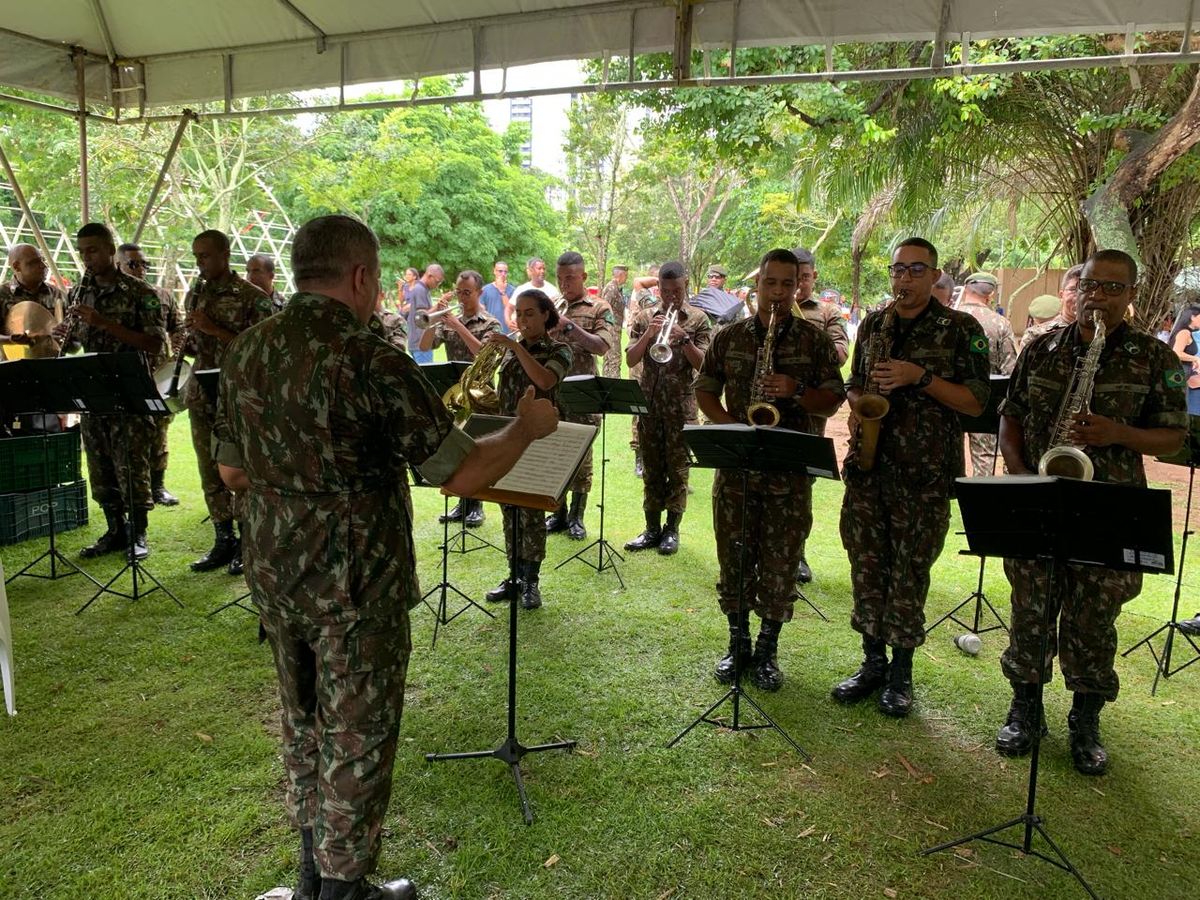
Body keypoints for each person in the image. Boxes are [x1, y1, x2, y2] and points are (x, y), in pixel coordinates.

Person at [215, 214, 559, 900]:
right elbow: (456, 474)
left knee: (303, 720)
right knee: (357, 735)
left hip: (277, 574)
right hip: (355, 582)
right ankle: (345, 890)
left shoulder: (249, 349)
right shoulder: (369, 355)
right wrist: (526, 427)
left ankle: (313, 877)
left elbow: (232, 474)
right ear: (363, 276)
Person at [995, 249, 1187, 775]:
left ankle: (1086, 719)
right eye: (1089, 286)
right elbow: (1010, 416)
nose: (1097, 297)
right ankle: (1025, 708)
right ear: (1074, 289)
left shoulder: (1154, 358)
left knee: (1093, 620)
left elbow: (1173, 437)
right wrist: (1020, 475)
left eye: (1111, 288)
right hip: (1041, 498)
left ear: (1131, 295)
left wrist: (1118, 433)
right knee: (1030, 608)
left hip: (1109, 509)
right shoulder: (1041, 350)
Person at [833, 237, 989, 717]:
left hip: (924, 476)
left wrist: (917, 376)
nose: (904, 279)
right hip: (870, 468)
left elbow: (977, 401)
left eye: (915, 270)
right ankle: (872, 663)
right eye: (898, 269)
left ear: (935, 275)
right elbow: (855, 381)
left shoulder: (961, 328)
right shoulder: (876, 323)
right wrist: (860, 404)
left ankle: (901, 674)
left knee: (909, 572)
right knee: (866, 566)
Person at [695, 248, 845, 691]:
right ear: (756, 285)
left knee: (780, 566)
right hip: (738, 471)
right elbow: (705, 391)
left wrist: (796, 390)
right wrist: (732, 427)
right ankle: (737, 643)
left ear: (798, 285)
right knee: (734, 560)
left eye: (787, 284)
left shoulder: (814, 340)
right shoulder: (729, 336)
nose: (778, 292)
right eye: (770, 283)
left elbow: (833, 398)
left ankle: (767, 651)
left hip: (789, 476)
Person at [53, 224, 166, 559]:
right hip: (94, 392)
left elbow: (155, 342)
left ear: (109, 250)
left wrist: (105, 323)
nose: (87, 258)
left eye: (93, 250)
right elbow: (76, 342)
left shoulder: (140, 292)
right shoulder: (79, 292)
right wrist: (64, 335)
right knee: (100, 466)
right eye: (82, 251)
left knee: (131, 465)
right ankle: (115, 530)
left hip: (128, 392)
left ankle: (139, 534)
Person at [183, 229, 274, 576]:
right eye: (196, 257)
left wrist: (214, 329)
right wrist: (188, 335)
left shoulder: (252, 297)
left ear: (224, 254)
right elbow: (195, 345)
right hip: (202, 393)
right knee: (208, 468)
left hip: (239, 395)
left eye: (205, 256)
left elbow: (263, 352)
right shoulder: (197, 291)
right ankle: (223, 539)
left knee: (236, 468)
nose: (200, 263)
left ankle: (245, 541)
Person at [481, 290, 574, 609]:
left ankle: (531, 581)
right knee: (509, 509)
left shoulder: (559, 349)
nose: (522, 320)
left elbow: (545, 380)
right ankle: (514, 576)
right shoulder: (513, 349)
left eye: (529, 313)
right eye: (518, 314)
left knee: (531, 512)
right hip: (507, 437)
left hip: (539, 440)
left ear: (546, 315)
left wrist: (513, 348)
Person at [623, 262, 711, 555]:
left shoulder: (699, 319)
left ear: (686, 287)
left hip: (681, 407)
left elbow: (705, 366)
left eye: (678, 290)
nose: (672, 296)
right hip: (649, 407)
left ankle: (672, 530)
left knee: (678, 470)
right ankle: (651, 528)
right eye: (666, 290)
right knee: (652, 469)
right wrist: (649, 335)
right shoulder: (644, 316)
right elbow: (631, 360)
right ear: (658, 288)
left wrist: (683, 338)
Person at [418, 270, 501, 527]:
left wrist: (458, 326)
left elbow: (483, 353)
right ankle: (461, 502)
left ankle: (477, 505)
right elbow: (423, 346)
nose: (462, 297)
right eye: (459, 292)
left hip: (480, 396)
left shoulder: (491, 323)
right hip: (454, 396)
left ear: (479, 293)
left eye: (467, 293)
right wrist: (433, 317)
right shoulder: (447, 320)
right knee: (457, 450)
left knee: (476, 450)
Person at [544, 251, 615, 541]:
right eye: (560, 279)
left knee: (581, 459)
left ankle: (577, 516)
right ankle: (557, 512)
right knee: (554, 455)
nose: (564, 285)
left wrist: (568, 326)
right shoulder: (555, 305)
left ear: (584, 277)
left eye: (570, 278)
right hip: (552, 393)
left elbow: (602, 346)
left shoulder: (599, 307)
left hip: (583, 394)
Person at [790, 248, 850, 584]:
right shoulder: (771, 308)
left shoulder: (828, 313)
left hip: (810, 412)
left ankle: (797, 553)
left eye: (805, 277)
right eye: (793, 278)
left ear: (814, 277)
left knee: (802, 485)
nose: (799, 284)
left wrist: (810, 339)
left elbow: (840, 354)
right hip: (770, 408)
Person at [117, 243, 184, 507]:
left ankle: (158, 487)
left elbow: (177, 327)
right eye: (133, 264)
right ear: (119, 265)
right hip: (128, 377)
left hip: (158, 374)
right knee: (130, 437)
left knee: (159, 432)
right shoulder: (114, 297)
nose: (140, 269)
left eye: (144, 264)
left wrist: (176, 352)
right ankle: (132, 492)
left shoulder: (162, 295)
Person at [957, 272, 1018, 475]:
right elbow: (1010, 369)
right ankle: (980, 501)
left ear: (966, 289)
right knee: (984, 456)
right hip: (984, 400)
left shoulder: (946, 317)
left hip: (946, 397)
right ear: (990, 294)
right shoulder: (1000, 323)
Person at [0, 243, 62, 353]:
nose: (43, 266)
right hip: (13, 366)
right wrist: (10, 340)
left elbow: (74, 340)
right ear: (16, 266)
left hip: (53, 364)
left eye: (42, 260)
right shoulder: (2, 294)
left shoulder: (57, 295)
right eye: (34, 262)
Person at [1020, 265, 1081, 351]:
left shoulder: (1099, 335)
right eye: (1073, 289)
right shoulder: (1036, 335)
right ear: (1061, 295)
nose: (1079, 296)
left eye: (1086, 290)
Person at [404, 264, 443, 363]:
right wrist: (439, 305)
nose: (437, 285)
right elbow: (422, 317)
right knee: (427, 375)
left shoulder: (421, 289)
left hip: (416, 343)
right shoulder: (420, 289)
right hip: (420, 343)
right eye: (437, 281)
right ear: (429, 276)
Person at [510, 257, 562, 330]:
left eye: (544, 269)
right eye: (539, 268)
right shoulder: (521, 289)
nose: (542, 271)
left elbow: (559, 313)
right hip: (523, 332)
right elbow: (509, 308)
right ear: (531, 271)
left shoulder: (553, 290)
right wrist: (509, 322)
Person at [1168, 304, 1200, 415]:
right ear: (1192, 317)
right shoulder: (1184, 332)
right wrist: (1195, 358)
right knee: (1175, 406)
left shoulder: (1188, 333)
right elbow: (1176, 353)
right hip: (1176, 372)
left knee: (1180, 406)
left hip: (1179, 373)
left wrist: (1192, 361)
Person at [601, 265, 629, 377]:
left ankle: (607, 383)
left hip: (615, 329)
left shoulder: (616, 288)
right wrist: (608, 329)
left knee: (611, 359)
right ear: (621, 275)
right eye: (626, 276)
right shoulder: (611, 288)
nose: (626, 279)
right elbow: (605, 308)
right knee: (614, 359)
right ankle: (613, 384)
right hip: (611, 330)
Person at [480, 260, 515, 334]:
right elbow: (481, 312)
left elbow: (510, 310)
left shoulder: (512, 290)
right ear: (494, 271)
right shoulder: (485, 290)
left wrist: (502, 291)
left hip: (508, 333)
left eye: (505, 272)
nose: (503, 274)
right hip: (491, 332)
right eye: (500, 271)